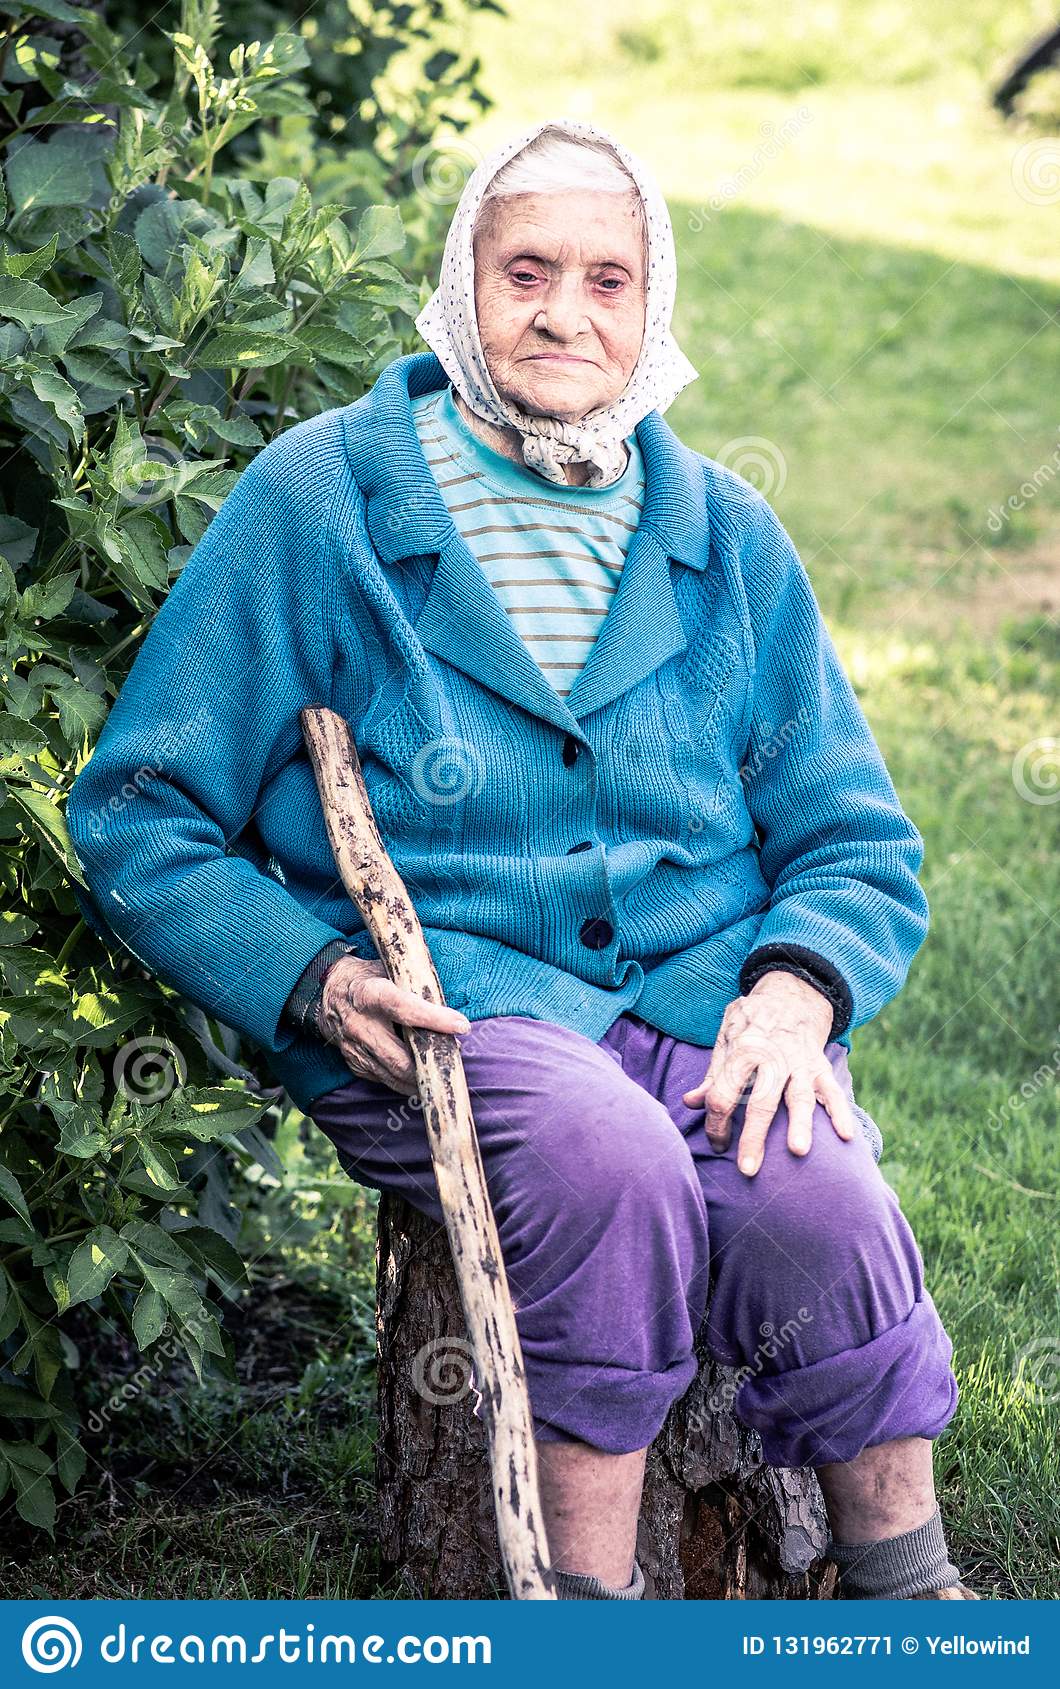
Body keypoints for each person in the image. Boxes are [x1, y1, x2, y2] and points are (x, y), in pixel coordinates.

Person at [65, 116, 976, 1601]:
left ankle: (913, 1596)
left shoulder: (719, 528)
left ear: (653, 304)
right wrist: (310, 981)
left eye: (609, 279)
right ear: (459, 284)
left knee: (813, 1186)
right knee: (603, 1161)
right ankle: (589, 1626)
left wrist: (798, 988)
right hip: (452, 994)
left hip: (692, 988)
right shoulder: (326, 500)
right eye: (528, 270)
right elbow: (139, 810)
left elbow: (852, 835)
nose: (567, 313)